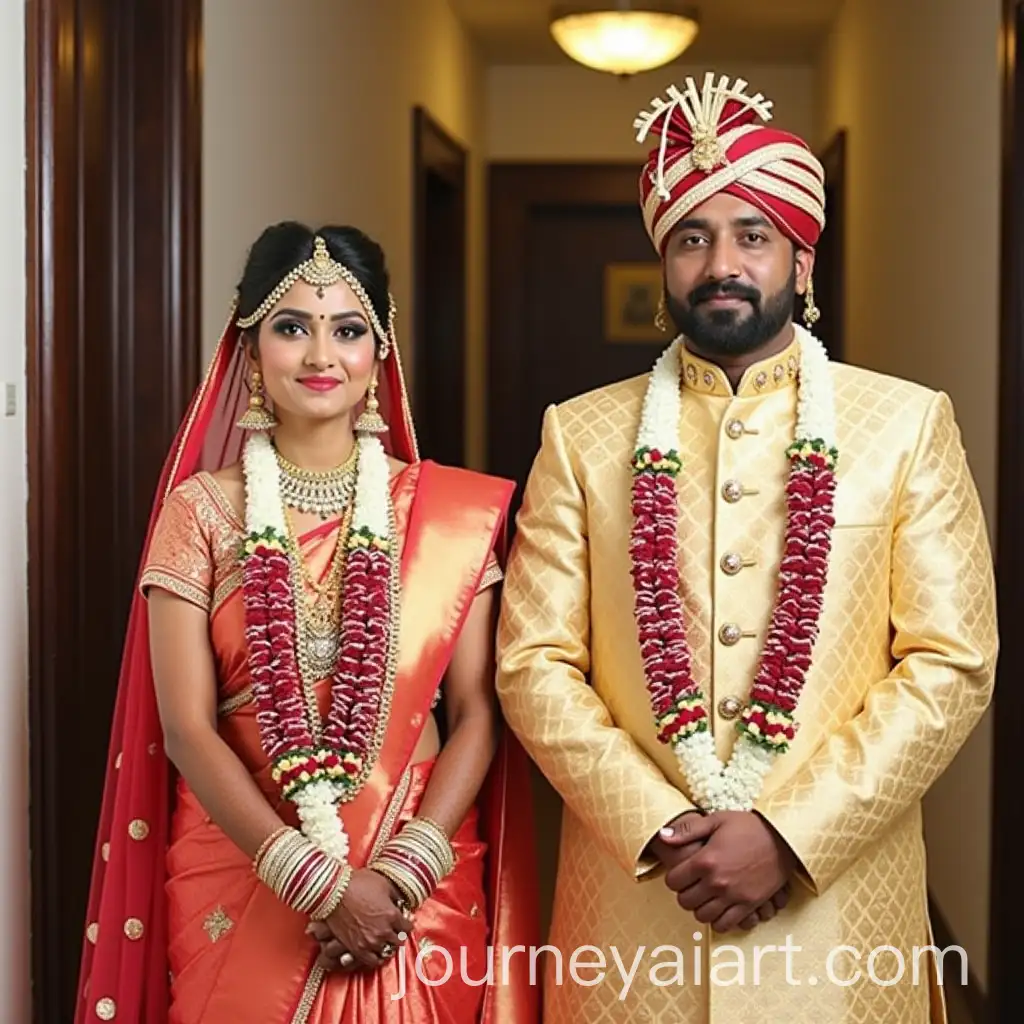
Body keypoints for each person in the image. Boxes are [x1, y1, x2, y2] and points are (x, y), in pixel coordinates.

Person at [494, 72, 997, 1023]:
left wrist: (789, 836)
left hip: (839, 918)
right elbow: (532, 663)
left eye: (751, 235)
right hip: (638, 912)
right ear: (664, 267)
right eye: (692, 237)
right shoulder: (581, 435)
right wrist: (661, 825)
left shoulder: (904, 424)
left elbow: (952, 662)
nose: (720, 261)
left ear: (802, 264)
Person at [74, 223, 540, 1023]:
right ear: (251, 352)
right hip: (247, 872)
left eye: (348, 329)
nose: (321, 355)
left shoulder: (445, 516)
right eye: (292, 327)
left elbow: (474, 717)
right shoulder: (203, 513)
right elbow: (187, 729)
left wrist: (401, 873)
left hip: (416, 880)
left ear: (379, 353)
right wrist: (312, 878)